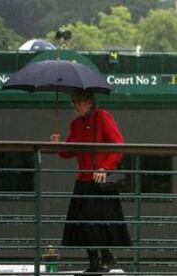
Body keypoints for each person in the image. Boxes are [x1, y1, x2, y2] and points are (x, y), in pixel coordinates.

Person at [50, 89, 131, 273]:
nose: (75, 106)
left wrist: (105, 167)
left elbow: (118, 146)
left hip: (100, 179)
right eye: (73, 102)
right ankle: (99, 259)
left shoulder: (102, 117)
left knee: (91, 220)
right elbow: (69, 152)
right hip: (84, 179)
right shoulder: (76, 124)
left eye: (78, 102)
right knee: (84, 221)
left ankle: (103, 258)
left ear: (89, 102)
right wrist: (57, 145)